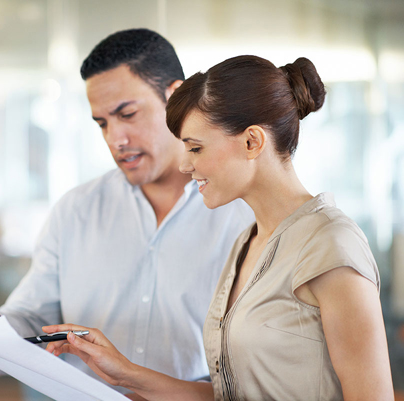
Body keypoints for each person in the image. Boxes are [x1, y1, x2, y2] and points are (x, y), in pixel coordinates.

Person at [43, 55, 394, 400]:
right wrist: (125, 372)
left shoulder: (330, 243)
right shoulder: (248, 242)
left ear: (252, 142)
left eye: (195, 148)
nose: (184, 164)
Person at [0, 28, 253, 394]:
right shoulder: (76, 212)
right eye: (102, 123)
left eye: (128, 114)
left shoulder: (244, 215)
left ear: (176, 97)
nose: (115, 139)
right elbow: (32, 319)